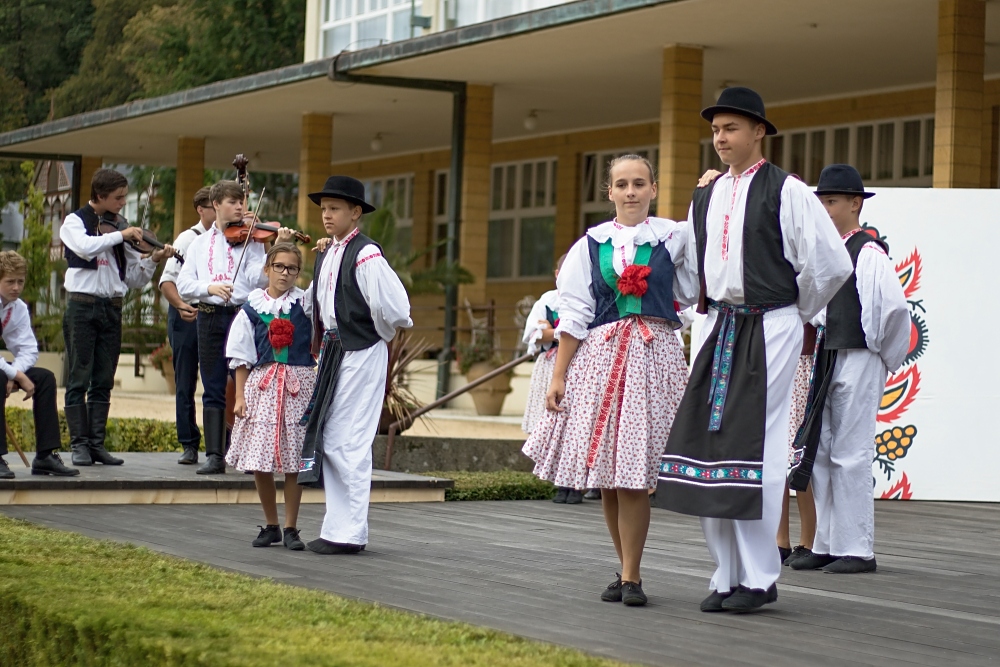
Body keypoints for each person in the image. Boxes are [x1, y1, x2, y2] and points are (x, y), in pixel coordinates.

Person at [654, 87, 853, 613]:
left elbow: (831, 263)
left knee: (756, 447)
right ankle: (726, 573)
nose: (720, 138)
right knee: (707, 445)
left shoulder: (787, 190)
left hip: (769, 323)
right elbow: (693, 271)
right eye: (716, 130)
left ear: (759, 131)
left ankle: (760, 576)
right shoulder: (706, 195)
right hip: (717, 323)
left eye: (731, 128)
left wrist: (791, 309)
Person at [523, 154, 693, 607]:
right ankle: (626, 570)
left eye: (639, 183)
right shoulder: (591, 244)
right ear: (610, 191)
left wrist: (709, 190)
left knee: (634, 473)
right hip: (600, 359)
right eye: (622, 184)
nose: (630, 191)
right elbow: (575, 314)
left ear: (653, 189)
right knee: (610, 476)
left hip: (653, 357)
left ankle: (632, 575)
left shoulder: (674, 236)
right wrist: (558, 376)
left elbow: (693, 286)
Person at [787, 164, 909, 574]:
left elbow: (893, 311)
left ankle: (857, 548)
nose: (824, 208)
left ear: (855, 203)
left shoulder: (867, 251)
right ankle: (826, 542)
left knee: (851, 452)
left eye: (832, 201)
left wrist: (876, 353)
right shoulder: (828, 251)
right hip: (829, 355)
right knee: (821, 450)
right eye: (821, 201)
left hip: (858, 355)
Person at [298, 175, 412, 555]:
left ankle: (348, 533)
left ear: (355, 212)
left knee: (349, 439)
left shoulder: (366, 254)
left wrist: (372, 333)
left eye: (335, 208)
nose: (326, 215)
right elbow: (316, 302)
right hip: (337, 351)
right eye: (324, 209)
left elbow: (395, 309)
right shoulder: (329, 252)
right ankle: (341, 529)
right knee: (335, 437)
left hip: (361, 351)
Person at [176, 180, 296, 475]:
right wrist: (209, 288)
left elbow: (259, 279)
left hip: (242, 316)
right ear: (216, 204)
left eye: (242, 202)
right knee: (213, 385)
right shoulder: (199, 244)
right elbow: (184, 284)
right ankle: (215, 456)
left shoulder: (253, 241)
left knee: (251, 386)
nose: (241, 208)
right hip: (209, 316)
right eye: (233, 202)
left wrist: (273, 246)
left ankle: (251, 456)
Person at [61, 168, 175, 467]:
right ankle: (78, 445)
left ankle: (96, 444)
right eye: (118, 197)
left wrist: (153, 259)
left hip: (112, 307)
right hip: (82, 306)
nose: (123, 202)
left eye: (124, 196)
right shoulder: (75, 222)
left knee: (104, 378)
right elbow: (84, 247)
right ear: (100, 196)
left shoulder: (121, 231)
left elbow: (134, 278)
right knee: (78, 376)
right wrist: (120, 236)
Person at [224, 242, 315, 551]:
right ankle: (272, 524)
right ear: (267, 269)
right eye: (279, 266)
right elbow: (241, 356)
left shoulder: (305, 303)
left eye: (292, 268)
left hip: (297, 386)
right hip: (262, 388)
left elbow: (326, 290)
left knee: (294, 460)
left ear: (298, 273)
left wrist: (326, 251)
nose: (285, 273)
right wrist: (239, 397)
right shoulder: (251, 308)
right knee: (260, 459)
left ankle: (291, 527)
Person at [0, 252, 78, 479]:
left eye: (20, 281)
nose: (16, 287)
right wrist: (15, 374)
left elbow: (28, 349)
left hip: (5, 369)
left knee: (45, 378)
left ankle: (45, 456)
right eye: (10, 281)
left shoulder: (18, 308)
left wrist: (15, 374)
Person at [519, 255, 581, 503]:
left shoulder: (586, 300)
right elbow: (534, 334)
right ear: (557, 274)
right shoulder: (547, 300)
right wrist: (559, 332)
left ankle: (575, 484)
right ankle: (559, 482)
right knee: (553, 424)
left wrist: (551, 331)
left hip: (579, 367)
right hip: (550, 368)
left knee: (575, 424)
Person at [160, 186, 214, 465]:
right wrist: (181, 305)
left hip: (213, 315)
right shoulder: (187, 238)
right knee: (185, 380)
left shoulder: (225, 240)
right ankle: (189, 443)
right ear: (201, 210)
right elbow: (167, 281)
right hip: (187, 314)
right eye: (214, 206)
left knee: (218, 381)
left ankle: (220, 443)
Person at [777, 324, 818, 566]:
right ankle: (780, 539)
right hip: (775, 360)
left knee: (799, 455)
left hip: (803, 359)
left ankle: (808, 540)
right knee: (775, 455)